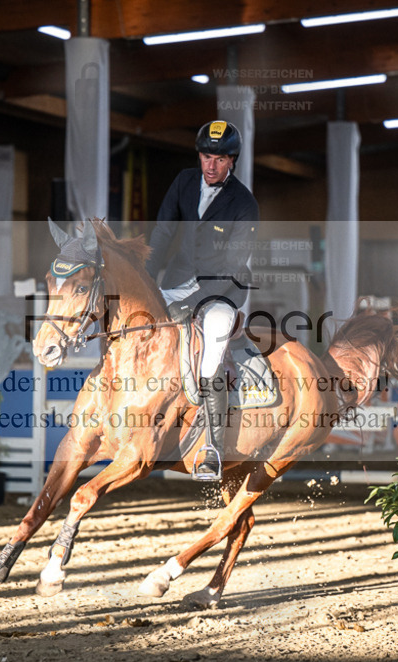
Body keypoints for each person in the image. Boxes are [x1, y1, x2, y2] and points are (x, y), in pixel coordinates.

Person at [145, 120, 259, 481]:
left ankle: (212, 449)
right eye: (206, 156)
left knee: (210, 358)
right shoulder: (183, 181)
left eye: (219, 159)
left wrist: (192, 301)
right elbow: (163, 231)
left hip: (222, 293)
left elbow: (231, 266)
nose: (210, 166)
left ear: (232, 161)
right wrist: (146, 277)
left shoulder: (244, 203)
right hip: (177, 282)